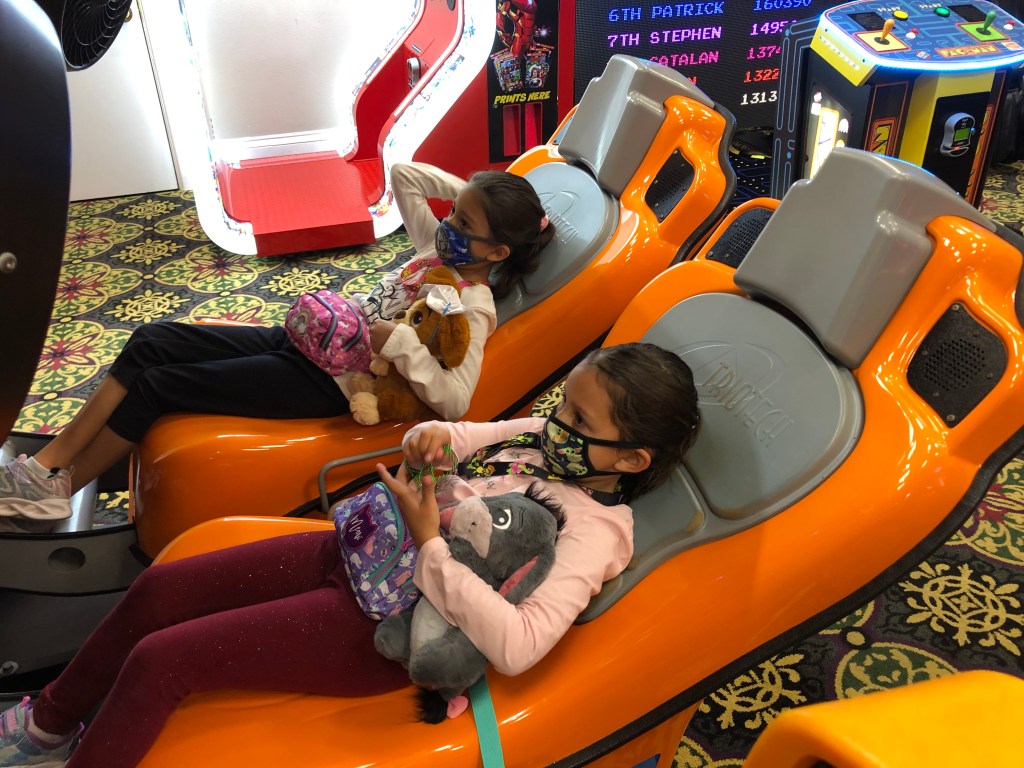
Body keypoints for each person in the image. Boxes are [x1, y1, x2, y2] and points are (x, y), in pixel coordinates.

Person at [0, 342, 701, 768]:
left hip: (379, 628)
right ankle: (47, 725)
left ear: (631, 459)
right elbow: (460, 435)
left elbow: (519, 645)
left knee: (162, 661)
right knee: (158, 592)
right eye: (563, 406)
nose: (556, 424)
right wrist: (430, 441)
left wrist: (431, 543)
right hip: (360, 550)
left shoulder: (595, 531)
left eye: (578, 420)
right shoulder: (546, 439)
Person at [0, 162, 554, 528]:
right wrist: (475, 195)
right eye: (453, 212)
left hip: (330, 384)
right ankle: (49, 464)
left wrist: (404, 342)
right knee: (151, 340)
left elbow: (456, 402)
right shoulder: (436, 250)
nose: (449, 223)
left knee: (157, 386)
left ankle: (58, 488)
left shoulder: (473, 304)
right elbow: (404, 177)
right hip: (310, 341)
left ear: (498, 252)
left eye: (463, 221)